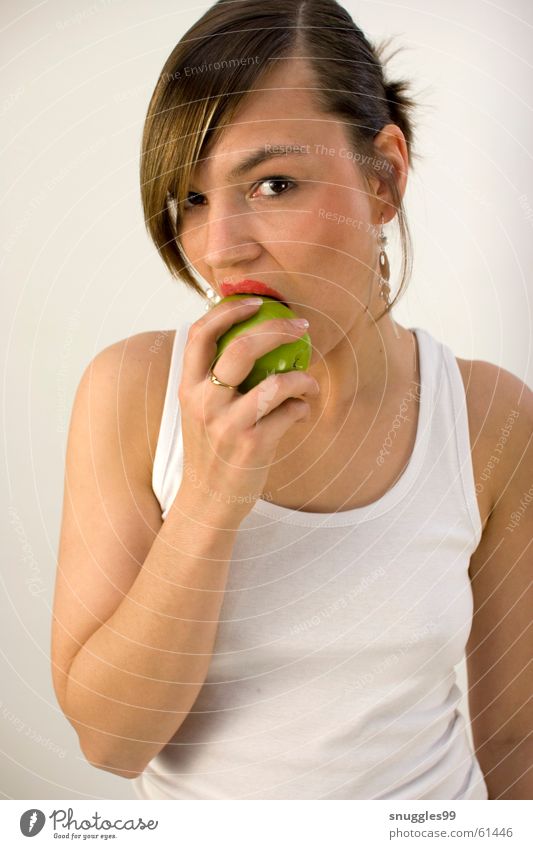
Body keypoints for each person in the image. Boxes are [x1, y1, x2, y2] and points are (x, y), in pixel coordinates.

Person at [51, 0, 532, 800]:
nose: (218, 247)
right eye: (192, 198)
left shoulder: (488, 416)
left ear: (383, 177)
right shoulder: (131, 394)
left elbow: (517, 739)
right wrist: (208, 497)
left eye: (272, 183)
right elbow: (111, 738)